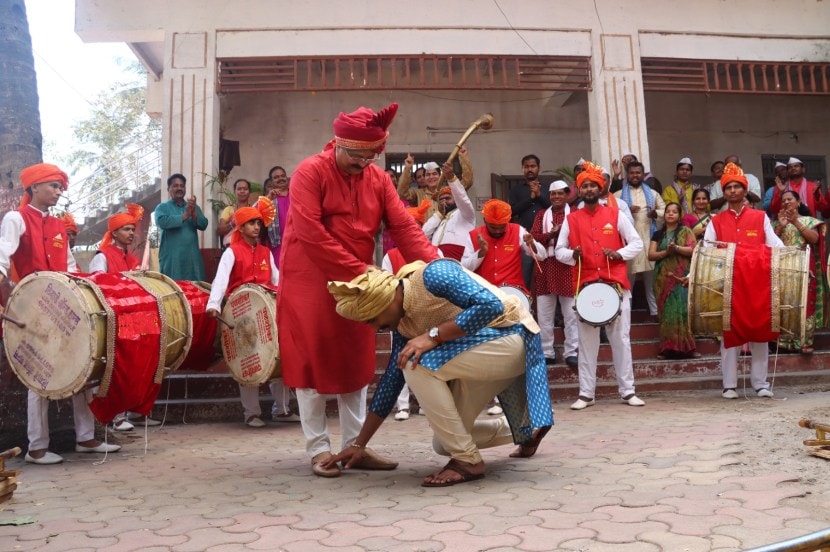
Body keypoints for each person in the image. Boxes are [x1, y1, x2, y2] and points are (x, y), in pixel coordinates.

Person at [277, 103, 439, 477]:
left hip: (361, 285)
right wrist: (363, 272)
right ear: (338, 143)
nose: (364, 164)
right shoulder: (310, 172)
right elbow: (309, 233)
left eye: (371, 157)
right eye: (357, 156)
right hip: (310, 281)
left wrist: (437, 265)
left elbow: (404, 227)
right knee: (312, 364)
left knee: (356, 362)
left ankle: (355, 446)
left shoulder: (378, 180)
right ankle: (318, 450)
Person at [322, 260, 553, 487]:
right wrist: (358, 445)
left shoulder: (433, 275)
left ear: (388, 300)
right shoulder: (403, 323)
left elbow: (491, 306)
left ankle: (468, 461)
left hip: (512, 339)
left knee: (414, 361)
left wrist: (433, 336)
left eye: (372, 319)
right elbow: (392, 381)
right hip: (481, 354)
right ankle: (529, 429)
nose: (373, 328)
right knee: (445, 442)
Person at [0, 163, 120, 464]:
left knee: (82, 364)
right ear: (34, 188)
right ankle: (37, 448)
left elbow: (68, 267)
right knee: (38, 374)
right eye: (53, 186)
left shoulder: (57, 226)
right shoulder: (16, 218)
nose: (58, 192)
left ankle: (86, 438)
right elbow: (2, 255)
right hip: (30, 308)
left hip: (64, 305)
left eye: (59, 187)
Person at [554, 162, 645, 410]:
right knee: (587, 343)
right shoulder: (571, 219)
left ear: (601, 188)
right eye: (585, 185)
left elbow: (637, 244)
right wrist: (573, 253)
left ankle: (628, 391)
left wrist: (617, 254)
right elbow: (558, 251)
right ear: (579, 190)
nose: (589, 188)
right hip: (585, 286)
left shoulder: (616, 215)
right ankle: (586, 393)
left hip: (616, 285)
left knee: (621, 340)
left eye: (593, 184)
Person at [206, 198, 292, 427]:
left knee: (278, 354)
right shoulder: (231, 252)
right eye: (252, 223)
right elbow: (221, 279)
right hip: (239, 311)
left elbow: (276, 280)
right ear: (240, 227)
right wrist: (214, 304)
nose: (257, 227)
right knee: (246, 359)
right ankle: (251, 413)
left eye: (258, 223)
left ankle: (281, 410)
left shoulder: (265, 252)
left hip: (266, 309)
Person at [703, 163, 783, 399]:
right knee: (729, 333)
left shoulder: (760, 217)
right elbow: (706, 251)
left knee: (761, 331)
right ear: (724, 192)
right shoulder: (715, 221)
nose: (733, 191)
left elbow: (775, 245)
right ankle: (729, 385)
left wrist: (792, 260)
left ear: (745, 190)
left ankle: (760, 384)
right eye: (729, 187)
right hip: (728, 286)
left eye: (738, 186)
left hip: (759, 284)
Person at [88, 204, 161, 431]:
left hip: (130, 321)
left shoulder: (130, 258)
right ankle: (114, 417)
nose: (131, 233)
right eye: (127, 230)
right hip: (109, 322)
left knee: (134, 364)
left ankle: (132, 411)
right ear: (115, 233)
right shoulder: (102, 256)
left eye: (132, 229)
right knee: (113, 368)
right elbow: (96, 287)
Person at [381, 200, 432, 421]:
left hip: (426, 313)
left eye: (417, 225)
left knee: (427, 358)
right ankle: (402, 405)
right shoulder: (390, 256)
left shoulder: (430, 251)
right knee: (399, 358)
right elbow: (386, 286)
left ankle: (425, 402)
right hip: (400, 316)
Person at [530, 180, 578, 367]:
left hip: (567, 266)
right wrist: (550, 234)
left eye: (560, 193)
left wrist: (562, 234)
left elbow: (579, 236)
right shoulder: (542, 214)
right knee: (544, 313)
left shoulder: (574, 214)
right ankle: (547, 352)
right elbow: (533, 237)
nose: (556, 197)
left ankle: (571, 351)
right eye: (553, 194)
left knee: (570, 313)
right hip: (546, 266)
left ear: (567, 195)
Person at [772, 190, 826, 354]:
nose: (786, 202)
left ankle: (804, 342)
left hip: (804, 269)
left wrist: (796, 222)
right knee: (783, 303)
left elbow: (815, 239)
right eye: (783, 200)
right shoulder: (776, 223)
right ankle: (783, 342)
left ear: (798, 202)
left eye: (790, 199)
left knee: (804, 305)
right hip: (783, 269)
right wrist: (780, 227)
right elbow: (771, 244)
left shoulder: (809, 221)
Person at [462, 199, 547, 295]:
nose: (497, 231)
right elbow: (464, 268)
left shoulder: (518, 230)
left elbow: (542, 256)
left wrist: (532, 244)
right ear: (485, 220)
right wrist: (481, 252)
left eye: (502, 227)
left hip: (513, 293)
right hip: (483, 292)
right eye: (493, 227)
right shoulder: (474, 235)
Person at [615, 161, 665, 319]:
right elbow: (609, 214)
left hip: (649, 242)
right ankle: (626, 315)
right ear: (627, 175)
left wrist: (655, 213)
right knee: (627, 282)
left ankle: (655, 312)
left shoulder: (652, 193)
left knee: (651, 282)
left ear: (643, 175)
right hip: (628, 244)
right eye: (632, 173)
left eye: (638, 173)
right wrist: (626, 210)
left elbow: (666, 210)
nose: (635, 175)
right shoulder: (618, 195)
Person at [648, 203, 698, 359]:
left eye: (674, 212)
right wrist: (666, 252)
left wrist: (676, 248)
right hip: (663, 278)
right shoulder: (657, 234)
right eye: (667, 211)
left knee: (683, 311)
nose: (670, 214)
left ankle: (688, 348)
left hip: (682, 277)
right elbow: (651, 255)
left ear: (679, 215)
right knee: (666, 313)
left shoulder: (686, 231)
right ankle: (667, 349)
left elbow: (693, 250)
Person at [154, 173, 209, 281]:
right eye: (175, 186)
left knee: (194, 290)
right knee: (172, 290)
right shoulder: (163, 207)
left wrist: (193, 213)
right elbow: (162, 222)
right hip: (173, 260)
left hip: (192, 258)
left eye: (182, 186)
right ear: (168, 189)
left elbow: (204, 225)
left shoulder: (193, 207)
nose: (179, 188)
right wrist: (184, 216)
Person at [509, 154, 552, 290]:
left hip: (546, 238)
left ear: (538, 168)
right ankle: (525, 307)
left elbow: (553, 208)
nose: (530, 169)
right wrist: (531, 199)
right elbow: (512, 211)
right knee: (524, 276)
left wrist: (539, 195)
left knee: (547, 277)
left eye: (532, 166)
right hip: (525, 238)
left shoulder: (547, 188)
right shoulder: (516, 190)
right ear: (522, 169)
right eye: (526, 166)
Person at [421, 162, 476, 261]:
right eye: (441, 200)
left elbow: (462, 198)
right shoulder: (439, 220)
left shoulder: (465, 214)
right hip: (438, 265)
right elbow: (423, 235)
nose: (444, 201)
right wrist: (439, 214)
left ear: (455, 199)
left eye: (447, 198)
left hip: (460, 264)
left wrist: (451, 177)